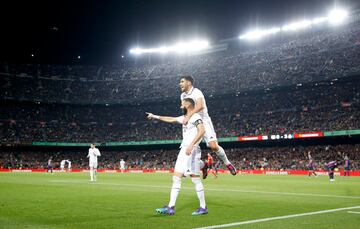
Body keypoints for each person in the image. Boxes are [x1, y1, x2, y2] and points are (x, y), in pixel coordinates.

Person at [147, 98, 208, 216]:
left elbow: (202, 130)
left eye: (182, 103)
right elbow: (171, 119)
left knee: (195, 178)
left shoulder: (195, 117)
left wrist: (192, 144)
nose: (181, 105)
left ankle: (203, 207)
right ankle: (170, 207)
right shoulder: (185, 118)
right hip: (183, 150)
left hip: (192, 150)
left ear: (188, 104)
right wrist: (154, 116)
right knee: (176, 177)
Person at [179, 76, 236, 177]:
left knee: (213, 146)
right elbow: (185, 109)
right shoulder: (182, 95)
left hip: (204, 121)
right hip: (193, 123)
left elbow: (200, 106)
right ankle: (203, 165)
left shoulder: (197, 92)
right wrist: (185, 119)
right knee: (190, 149)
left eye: (182, 81)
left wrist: (189, 115)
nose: (180, 84)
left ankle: (227, 163)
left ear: (189, 83)